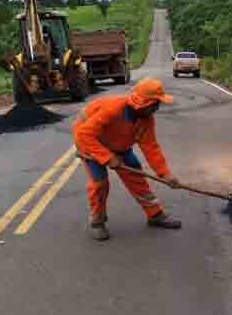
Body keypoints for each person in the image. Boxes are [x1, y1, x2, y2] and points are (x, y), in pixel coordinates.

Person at [73, 77, 182, 241]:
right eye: (155, 103)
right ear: (143, 103)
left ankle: (155, 215)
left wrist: (165, 174)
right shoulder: (113, 109)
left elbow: (150, 147)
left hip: (119, 146)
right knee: (99, 183)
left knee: (136, 174)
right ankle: (97, 222)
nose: (158, 107)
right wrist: (108, 157)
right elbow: (84, 134)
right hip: (90, 143)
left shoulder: (146, 120)